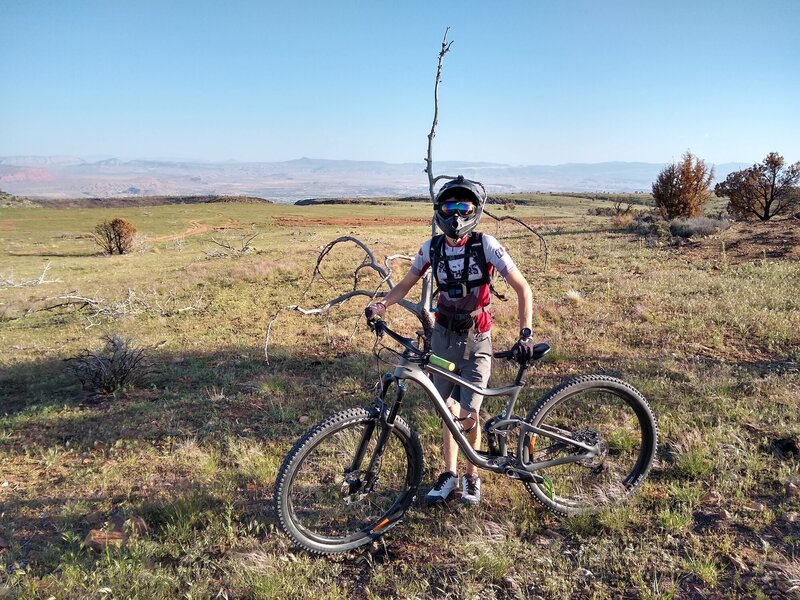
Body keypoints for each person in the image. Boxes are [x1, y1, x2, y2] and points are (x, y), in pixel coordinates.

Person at [364, 176, 535, 507]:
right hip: (442, 338)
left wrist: (525, 332)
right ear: (439, 211)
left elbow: (522, 287)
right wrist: (382, 304)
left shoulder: (486, 245)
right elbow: (407, 283)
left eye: (463, 207)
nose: (456, 215)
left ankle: (473, 476)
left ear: (474, 211)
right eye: (449, 207)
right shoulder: (431, 248)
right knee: (447, 411)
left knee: (469, 412)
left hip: (477, 339)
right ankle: (449, 474)